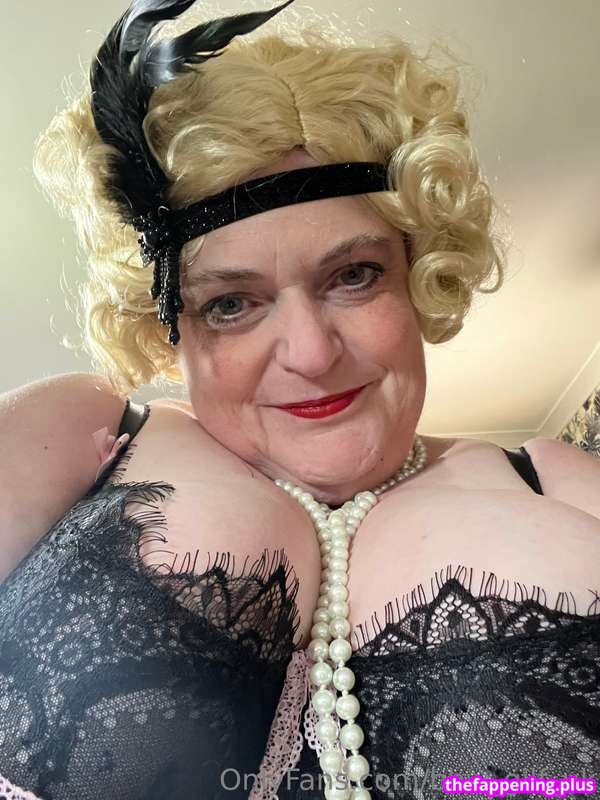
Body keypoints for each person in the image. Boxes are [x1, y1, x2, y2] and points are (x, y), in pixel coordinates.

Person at [1, 1, 599, 798]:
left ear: (419, 272)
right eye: (230, 304)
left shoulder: (554, 476)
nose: (312, 353)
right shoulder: (92, 428)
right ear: (169, 324)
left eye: (354, 275)